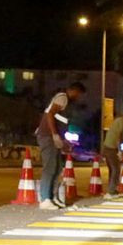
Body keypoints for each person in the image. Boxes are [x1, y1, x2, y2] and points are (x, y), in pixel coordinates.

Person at [35, 81, 84, 210]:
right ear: (73, 90)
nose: (78, 97)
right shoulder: (63, 98)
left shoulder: (66, 103)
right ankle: (45, 199)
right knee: (50, 167)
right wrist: (55, 135)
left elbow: (59, 121)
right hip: (48, 136)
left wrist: (63, 141)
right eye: (78, 94)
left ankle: (51, 197)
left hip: (52, 137)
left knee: (57, 168)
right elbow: (51, 114)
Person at [101, 107, 123, 198]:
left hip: (106, 146)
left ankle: (111, 189)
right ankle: (111, 191)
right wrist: (121, 152)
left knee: (112, 169)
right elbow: (120, 138)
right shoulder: (122, 123)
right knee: (116, 169)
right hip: (111, 148)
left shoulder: (118, 121)